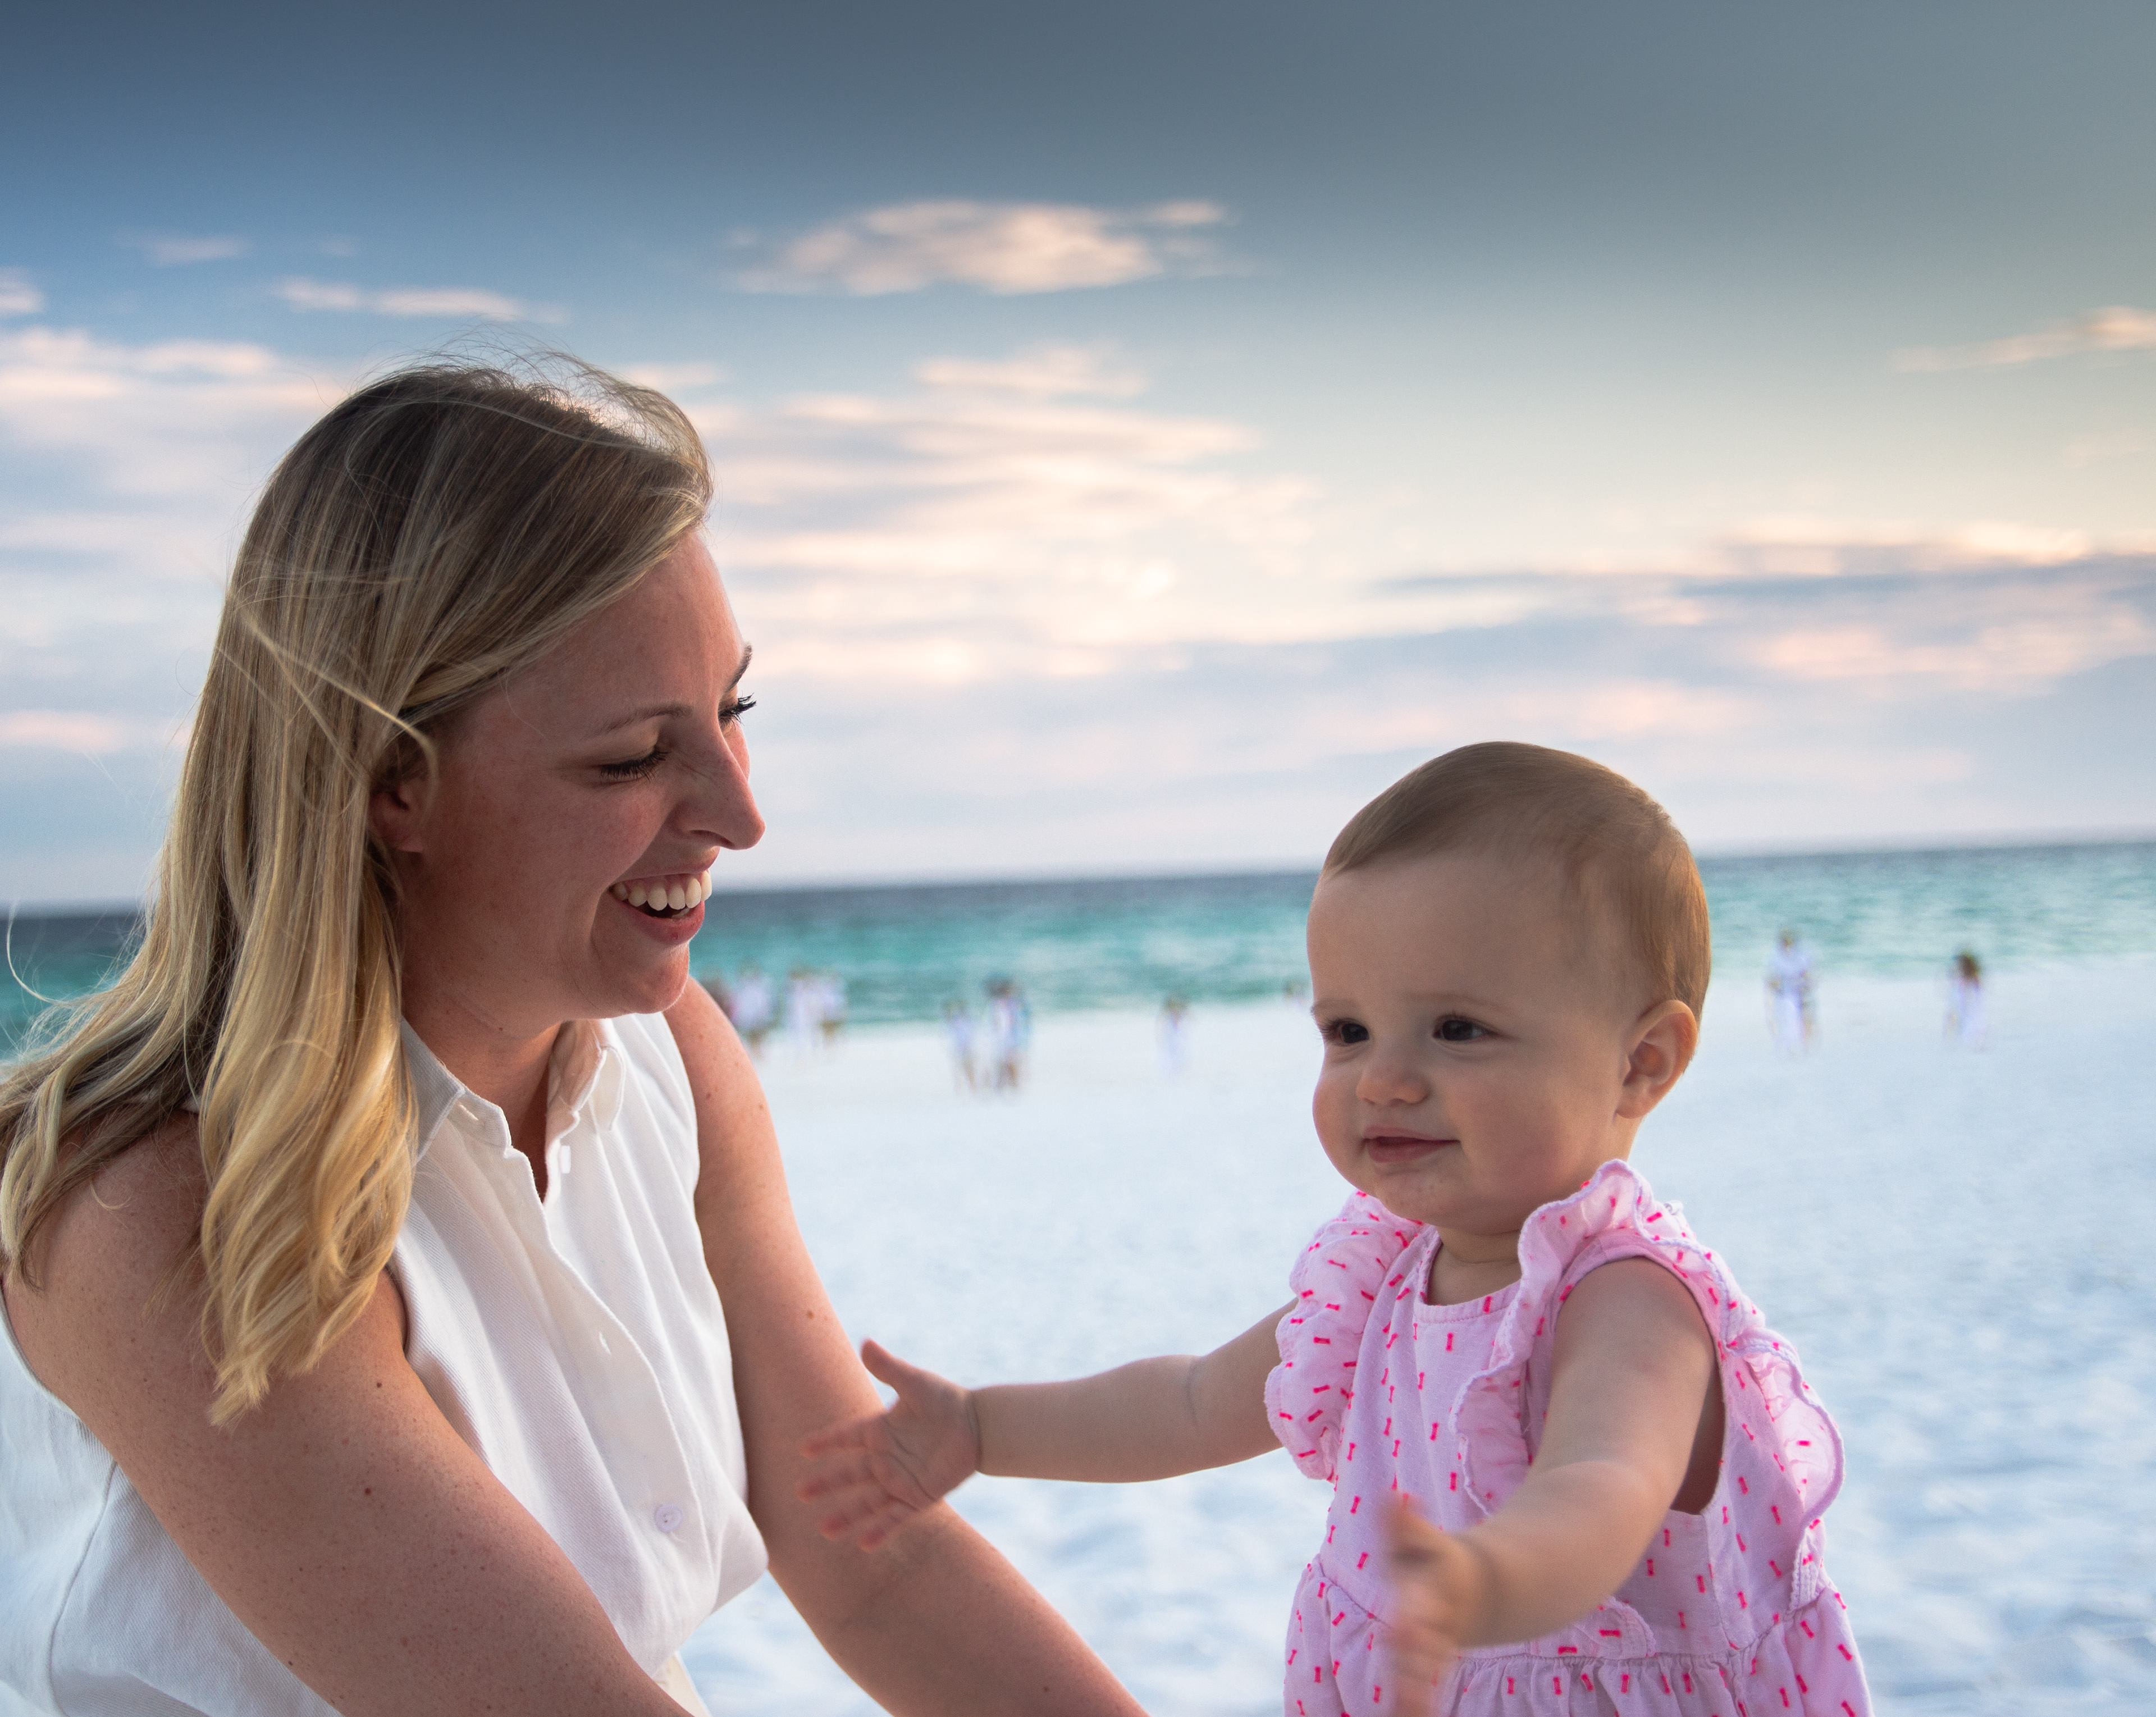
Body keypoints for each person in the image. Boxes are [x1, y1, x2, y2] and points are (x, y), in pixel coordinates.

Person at [0, 358, 1143, 1717]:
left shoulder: (673, 1058)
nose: (738, 810)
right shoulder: (156, 1204)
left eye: (734, 711)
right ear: (390, 784)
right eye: (630, 756)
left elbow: (873, 1556)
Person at [800, 743, 1871, 1717]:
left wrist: (1484, 1579)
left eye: (1458, 1028)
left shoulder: (1624, 1293)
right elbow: (1189, 1402)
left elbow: (1607, 1484)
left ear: (1642, 1060)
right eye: (1346, 1030)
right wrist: (986, 1429)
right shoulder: (1385, 1277)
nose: (1385, 1077)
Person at [1764, 929, 1815, 1053]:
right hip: (1783, 995)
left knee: (1799, 1021)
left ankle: (1802, 1046)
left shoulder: (1800, 957)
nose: (1787, 945)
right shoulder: (1776, 958)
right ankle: (1788, 1048)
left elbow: (1807, 976)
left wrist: (1804, 986)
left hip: (1797, 994)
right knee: (1784, 1022)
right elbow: (1771, 979)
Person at [727, 962, 774, 1057]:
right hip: (751, 1017)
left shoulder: (749, 987)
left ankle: (757, 1055)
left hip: (752, 1017)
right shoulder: (749, 987)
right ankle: (757, 1055)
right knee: (754, 1039)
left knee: (755, 1038)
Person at [1945, 948, 1987, 1049]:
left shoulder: (1969, 975)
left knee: (1960, 1018)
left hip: (1967, 1002)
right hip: (1968, 1001)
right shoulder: (1971, 974)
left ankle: (1953, 1039)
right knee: (1961, 1018)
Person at [942, 998, 978, 1092]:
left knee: (966, 1068)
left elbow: (967, 1034)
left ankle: (971, 1088)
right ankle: (966, 1088)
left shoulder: (960, 1021)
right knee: (962, 1069)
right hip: (960, 1048)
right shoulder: (956, 1021)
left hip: (964, 1047)